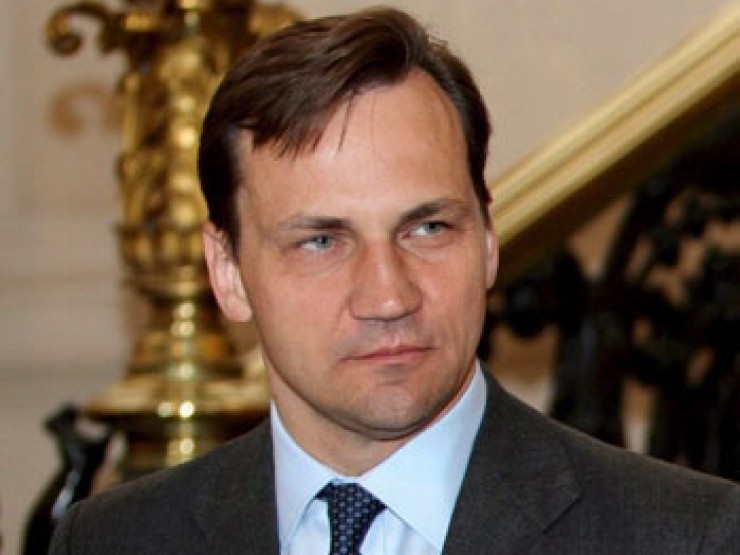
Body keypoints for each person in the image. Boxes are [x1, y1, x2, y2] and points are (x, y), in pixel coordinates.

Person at [50, 7, 740, 555]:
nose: (388, 297)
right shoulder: (114, 539)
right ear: (227, 271)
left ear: (488, 239)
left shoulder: (689, 536)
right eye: (321, 241)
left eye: (427, 228)